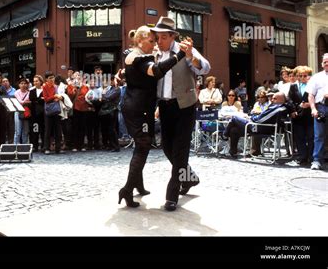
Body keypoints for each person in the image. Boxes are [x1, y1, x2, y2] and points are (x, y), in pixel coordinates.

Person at [118, 24, 189, 208]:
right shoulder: (140, 58)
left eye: (156, 40)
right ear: (140, 40)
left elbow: (129, 71)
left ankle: (138, 185)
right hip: (139, 109)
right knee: (142, 146)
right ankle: (127, 189)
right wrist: (180, 55)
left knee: (142, 145)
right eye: (151, 40)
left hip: (137, 107)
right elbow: (157, 71)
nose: (154, 44)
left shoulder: (131, 53)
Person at [152, 16, 211, 211]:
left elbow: (205, 68)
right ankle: (189, 177)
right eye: (157, 38)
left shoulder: (184, 50)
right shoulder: (157, 54)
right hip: (166, 106)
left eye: (162, 38)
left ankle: (172, 194)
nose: (158, 41)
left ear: (172, 37)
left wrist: (190, 56)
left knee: (180, 149)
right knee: (167, 146)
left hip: (185, 105)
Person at [222, 92, 290, 157]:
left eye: (275, 98)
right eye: (272, 98)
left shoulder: (277, 108)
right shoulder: (277, 107)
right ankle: (233, 151)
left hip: (258, 127)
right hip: (259, 125)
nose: (272, 100)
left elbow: (261, 119)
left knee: (234, 118)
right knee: (234, 129)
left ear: (281, 100)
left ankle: (224, 135)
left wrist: (251, 119)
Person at [288, 66, 313, 166]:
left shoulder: (312, 86)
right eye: (300, 75)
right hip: (297, 115)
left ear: (308, 76)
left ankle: (311, 157)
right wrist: (292, 111)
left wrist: (310, 105)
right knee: (299, 137)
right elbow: (290, 100)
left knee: (311, 137)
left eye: (305, 76)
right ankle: (302, 157)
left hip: (309, 115)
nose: (302, 77)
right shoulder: (293, 86)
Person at [307, 54, 328, 170]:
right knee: (319, 135)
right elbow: (311, 94)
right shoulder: (316, 77)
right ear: (321, 64)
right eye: (325, 61)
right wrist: (313, 108)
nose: (326, 63)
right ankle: (317, 160)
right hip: (321, 107)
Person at [29, 75, 45, 152]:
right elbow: (32, 100)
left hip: (43, 114)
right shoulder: (31, 91)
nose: (35, 82)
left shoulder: (44, 90)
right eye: (34, 81)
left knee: (43, 130)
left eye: (37, 81)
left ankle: (43, 146)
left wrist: (36, 100)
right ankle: (34, 146)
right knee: (35, 131)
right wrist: (39, 99)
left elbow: (44, 100)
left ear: (41, 81)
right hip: (34, 114)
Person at [14, 78, 31, 144]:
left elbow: (30, 102)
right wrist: (27, 102)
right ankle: (16, 146)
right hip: (18, 112)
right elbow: (20, 102)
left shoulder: (29, 92)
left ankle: (25, 146)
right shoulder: (16, 92)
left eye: (25, 83)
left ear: (27, 85)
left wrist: (26, 102)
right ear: (19, 85)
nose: (23, 85)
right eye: (21, 83)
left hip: (26, 112)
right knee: (18, 131)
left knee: (26, 131)